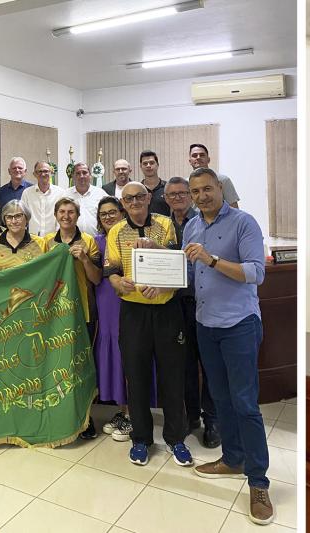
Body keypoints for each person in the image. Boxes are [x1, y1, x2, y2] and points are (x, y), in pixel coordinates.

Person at [182, 167, 271, 525]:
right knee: (220, 399)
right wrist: (158, 271)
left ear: (220, 188)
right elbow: (189, 275)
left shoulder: (243, 222)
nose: (201, 196)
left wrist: (212, 259)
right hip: (206, 325)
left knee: (246, 404)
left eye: (207, 189)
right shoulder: (191, 227)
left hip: (239, 325)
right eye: (195, 191)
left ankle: (259, 481)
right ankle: (232, 459)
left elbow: (256, 272)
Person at [105, 182, 192, 467]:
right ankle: (141, 439)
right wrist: (119, 283)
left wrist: (161, 283)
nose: (135, 202)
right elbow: (112, 272)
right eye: (128, 198)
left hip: (167, 310)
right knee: (137, 376)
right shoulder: (116, 231)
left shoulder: (166, 225)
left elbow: (175, 264)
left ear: (149, 197)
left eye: (140, 196)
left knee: (172, 376)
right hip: (133, 313)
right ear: (123, 202)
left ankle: (176, 438)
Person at [164, 177, 219, 449]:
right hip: (176, 304)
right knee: (184, 364)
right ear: (165, 198)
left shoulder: (203, 222)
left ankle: (212, 420)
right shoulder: (162, 225)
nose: (178, 198)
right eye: (171, 194)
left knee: (209, 365)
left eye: (183, 193)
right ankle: (192, 416)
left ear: (191, 195)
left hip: (205, 302)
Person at [43, 198, 102, 438]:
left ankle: (86, 419)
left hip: (84, 312)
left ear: (77, 216)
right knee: (59, 366)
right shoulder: (47, 242)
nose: (66, 216)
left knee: (82, 366)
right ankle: (61, 414)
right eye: (62, 212)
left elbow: (97, 279)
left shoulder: (89, 241)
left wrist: (85, 259)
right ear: (56, 215)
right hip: (56, 314)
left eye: (71, 212)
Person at [92, 197, 133, 441]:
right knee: (111, 356)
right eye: (103, 214)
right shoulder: (96, 242)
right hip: (103, 304)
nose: (108, 217)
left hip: (127, 302)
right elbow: (96, 275)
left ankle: (131, 414)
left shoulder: (129, 239)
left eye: (112, 212)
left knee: (126, 354)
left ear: (122, 213)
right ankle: (120, 410)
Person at [0, 200, 47, 270]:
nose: (14, 221)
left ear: (27, 218)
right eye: (9, 217)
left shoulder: (40, 242)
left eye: (18, 216)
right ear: (4, 220)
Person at [188, 144, 240, 208]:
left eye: (202, 155)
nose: (198, 157)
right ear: (190, 161)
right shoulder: (185, 183)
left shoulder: (223, 180)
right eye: (194, 155)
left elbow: (234, 209)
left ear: (208, 159)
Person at [67, 162, 108, 236]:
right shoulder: (66, 195)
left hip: (96, 241)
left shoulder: (100, 194)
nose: (81, 176)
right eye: (78, 173)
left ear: (90, 175)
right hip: (72, 241)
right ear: (73, 176)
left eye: (84, 173)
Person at [139, 150, 169, 216]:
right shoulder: (137, 189)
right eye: (145, 163)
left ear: (157, 165)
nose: (148, 166)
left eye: (152, 163)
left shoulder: (168, 187)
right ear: (141, 166)